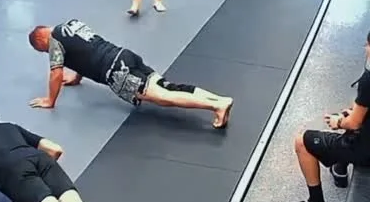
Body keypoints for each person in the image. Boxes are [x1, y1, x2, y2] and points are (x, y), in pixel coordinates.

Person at [28, 19, 233, 128]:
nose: (47, 52)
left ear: (41, 41)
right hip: (124, 55)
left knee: (163, 97)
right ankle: (219, 99)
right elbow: (83, 50)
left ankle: (216, 106)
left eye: (43, 50)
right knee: (168, 86)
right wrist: (76, 77)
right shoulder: (71, 24)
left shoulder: (54, 42)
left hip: (116, 71)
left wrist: (50, 100)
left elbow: (56, 72)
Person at [284, 30, 370, 202]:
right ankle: (339, 169)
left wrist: (338, 122)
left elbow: (354, 123)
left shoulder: (368, 81)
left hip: (366, 151)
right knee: (351, 114)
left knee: (302, 141)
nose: (365, 49)